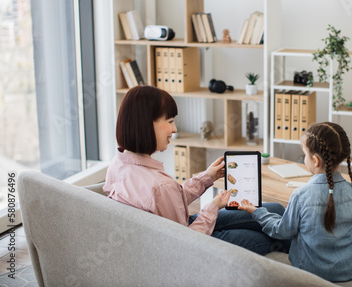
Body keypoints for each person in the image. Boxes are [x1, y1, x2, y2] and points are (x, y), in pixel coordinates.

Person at [104, 85, 289, 255]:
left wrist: (206, 178)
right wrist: (213, 207)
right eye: (169, 121)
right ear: (145, 125)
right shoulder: (160, 185)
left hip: (177, 228)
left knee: (274, 209)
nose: (174, 129)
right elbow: (184, 244)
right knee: (265, 237)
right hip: (192, 242)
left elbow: (168, 203)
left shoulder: (118, 165)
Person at [239, 122, 352, 282]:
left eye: (304, 154)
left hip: (311, 276)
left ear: (315, 160)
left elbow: (281, 231)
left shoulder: (301, 195)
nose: (303, 158)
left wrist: (257, 212)